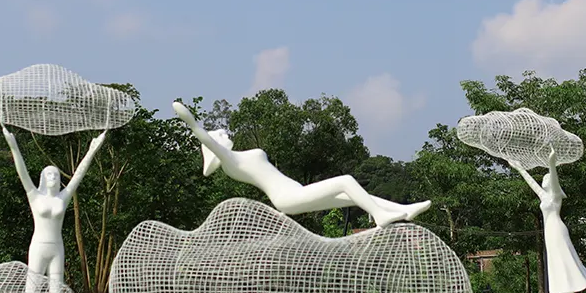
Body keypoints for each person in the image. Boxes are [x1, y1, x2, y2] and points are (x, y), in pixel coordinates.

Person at [173, 101, 431, 227]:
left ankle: (402, 210)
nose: (225, 135)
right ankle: (380, 215)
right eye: (221, 136)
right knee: (346, 181)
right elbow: (202, 134)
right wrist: (190, 120)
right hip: (288, 197)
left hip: (294, 192)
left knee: (351, 195)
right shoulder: (231, 160)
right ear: (215, 149)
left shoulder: (237, 157)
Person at [3, 125, 106, 293]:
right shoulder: (34, 195)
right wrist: (13, 144)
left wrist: (94, 148)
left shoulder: (63, 197)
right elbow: (21, 170)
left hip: (56, 250)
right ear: (42, 178)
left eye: (56, 175)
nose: (53, 178)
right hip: (38, 248)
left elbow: (80, 174)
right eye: (49, 175)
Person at [510, 148, 586, 293]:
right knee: (556, 264)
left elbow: (554, 179)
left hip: (557, 230)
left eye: (546, 177)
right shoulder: (545, 197)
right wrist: (519, 168)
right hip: (549, 233)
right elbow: (532, 184)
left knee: (564, 262)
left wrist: (551, 164)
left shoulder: (555, 195)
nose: (544, 179)